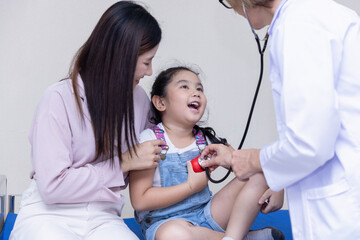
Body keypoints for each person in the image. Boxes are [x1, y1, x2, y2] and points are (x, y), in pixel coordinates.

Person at [200, 0, 360, 239]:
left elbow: (309, 142)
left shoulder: (298, 25)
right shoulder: (325, 14)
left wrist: (254, 160)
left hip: (342, 207)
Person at [10, 2, 164, 240]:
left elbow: (165, 144)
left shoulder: (140, 100)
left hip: (104, 218)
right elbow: (53, 187)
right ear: (122, 57)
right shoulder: (58, 98)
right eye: (146, 61)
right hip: (49, 214)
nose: (150, 71)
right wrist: (122, 163)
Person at [129, 66, 285, 240]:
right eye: (184, 87)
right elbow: (140, 200)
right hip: (165, 223)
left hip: (207, 214)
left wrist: (276, 183)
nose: (196, 93)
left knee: (259, 173)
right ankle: (242, 237)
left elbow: (247, 165)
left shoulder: (206, 140)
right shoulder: (149, 140)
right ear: (160, 103)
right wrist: (189, 187)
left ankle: (231, 237)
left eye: (199, 89)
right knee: (172, 234)